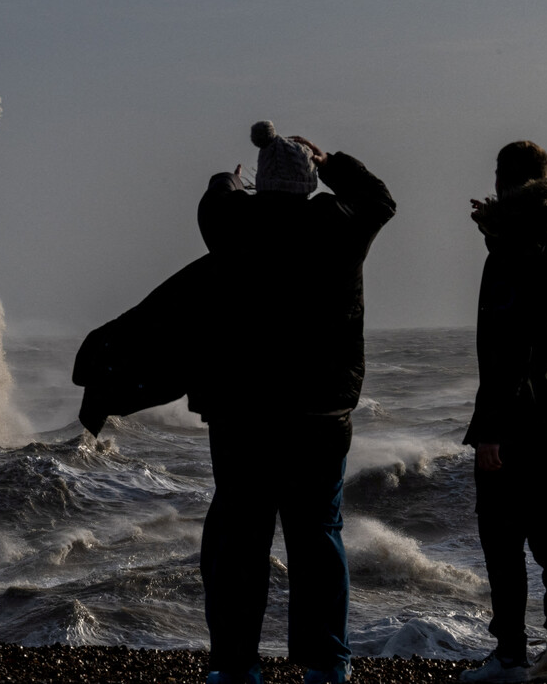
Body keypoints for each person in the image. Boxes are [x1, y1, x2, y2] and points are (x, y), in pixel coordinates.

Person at [195, 121, 395, 684]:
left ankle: (237, 667)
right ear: (309, 184)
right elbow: (380, 199)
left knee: (239, 541)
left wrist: (229, 181)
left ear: (261, 184)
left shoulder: (232, 221)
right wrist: (329, 160)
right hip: (320, 415)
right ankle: (327, 664)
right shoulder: (339, 224)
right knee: (318, 539)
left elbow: (216, 198)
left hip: (243, 415)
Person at [459, 141, 547, 683]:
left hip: (517, 416)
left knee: (503, 541)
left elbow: (507, 347)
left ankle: (510, 656)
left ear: (502, 182)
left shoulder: (514, 252)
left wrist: (488, 429)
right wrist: (499, 230)